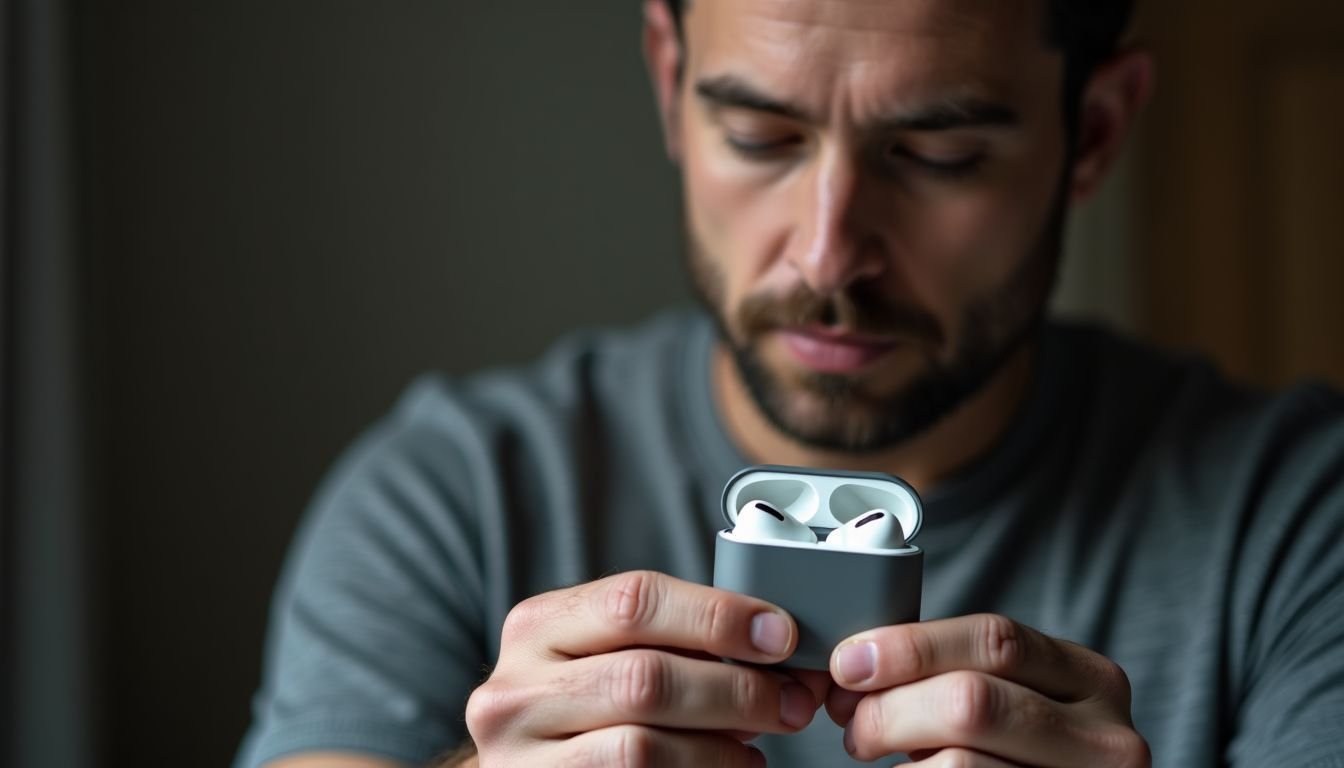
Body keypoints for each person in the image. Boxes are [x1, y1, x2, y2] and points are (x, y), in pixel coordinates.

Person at [234, 0, 1344, 766]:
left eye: (938, 155)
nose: (827, 254)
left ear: (1093, 133)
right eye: (762, 136)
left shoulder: (1298, 516)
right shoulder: (450, 494)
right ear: (670, 85)